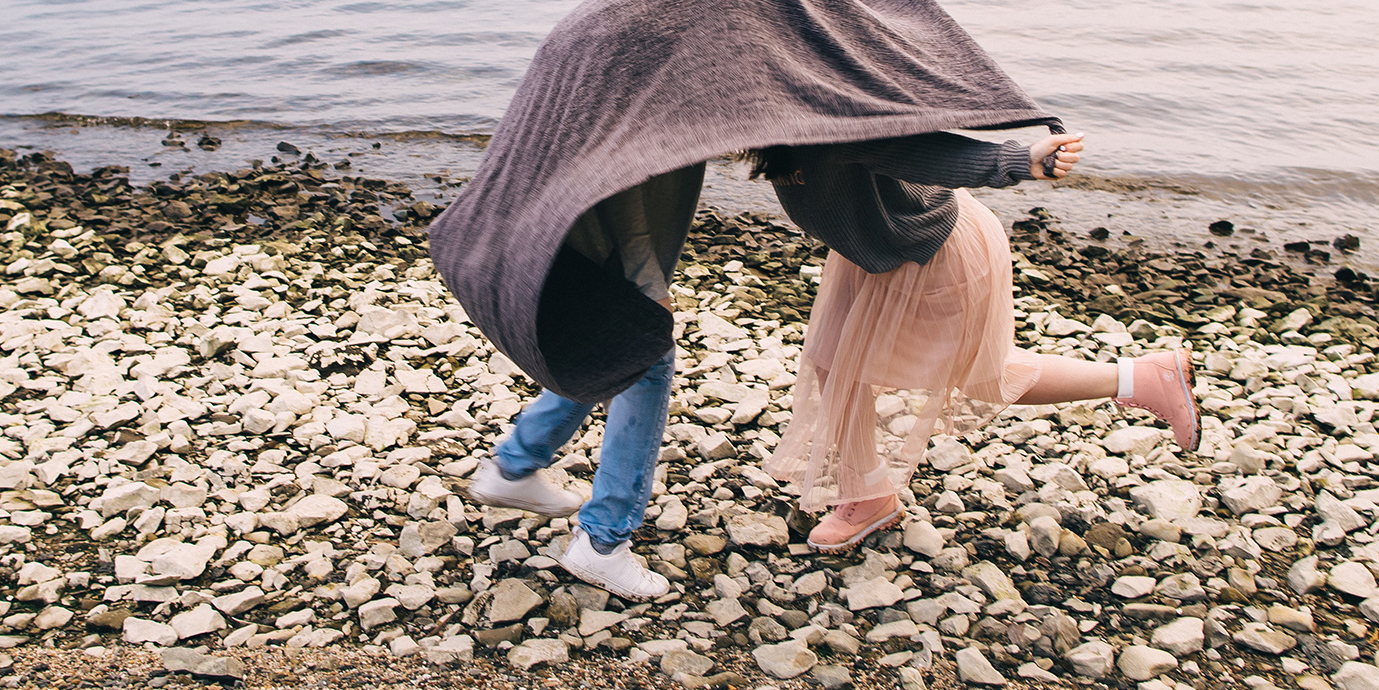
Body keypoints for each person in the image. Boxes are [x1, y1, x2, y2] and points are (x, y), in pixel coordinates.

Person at [754, 130, 1199, 553]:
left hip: (933, 249)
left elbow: (914, 149)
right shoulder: (749, 92)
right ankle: (869, 492)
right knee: (832, 363)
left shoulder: (820, 99)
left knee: (986, 378)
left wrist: (1018, 160)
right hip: (873, 247)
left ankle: (1141, 377)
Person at [465, 182, 689, 600]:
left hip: (569, 231)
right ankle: (604, 540)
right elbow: (622, 172)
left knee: (604, 346)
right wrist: (647, 281)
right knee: (645, 352)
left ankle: (513, 466)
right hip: (605, 242)